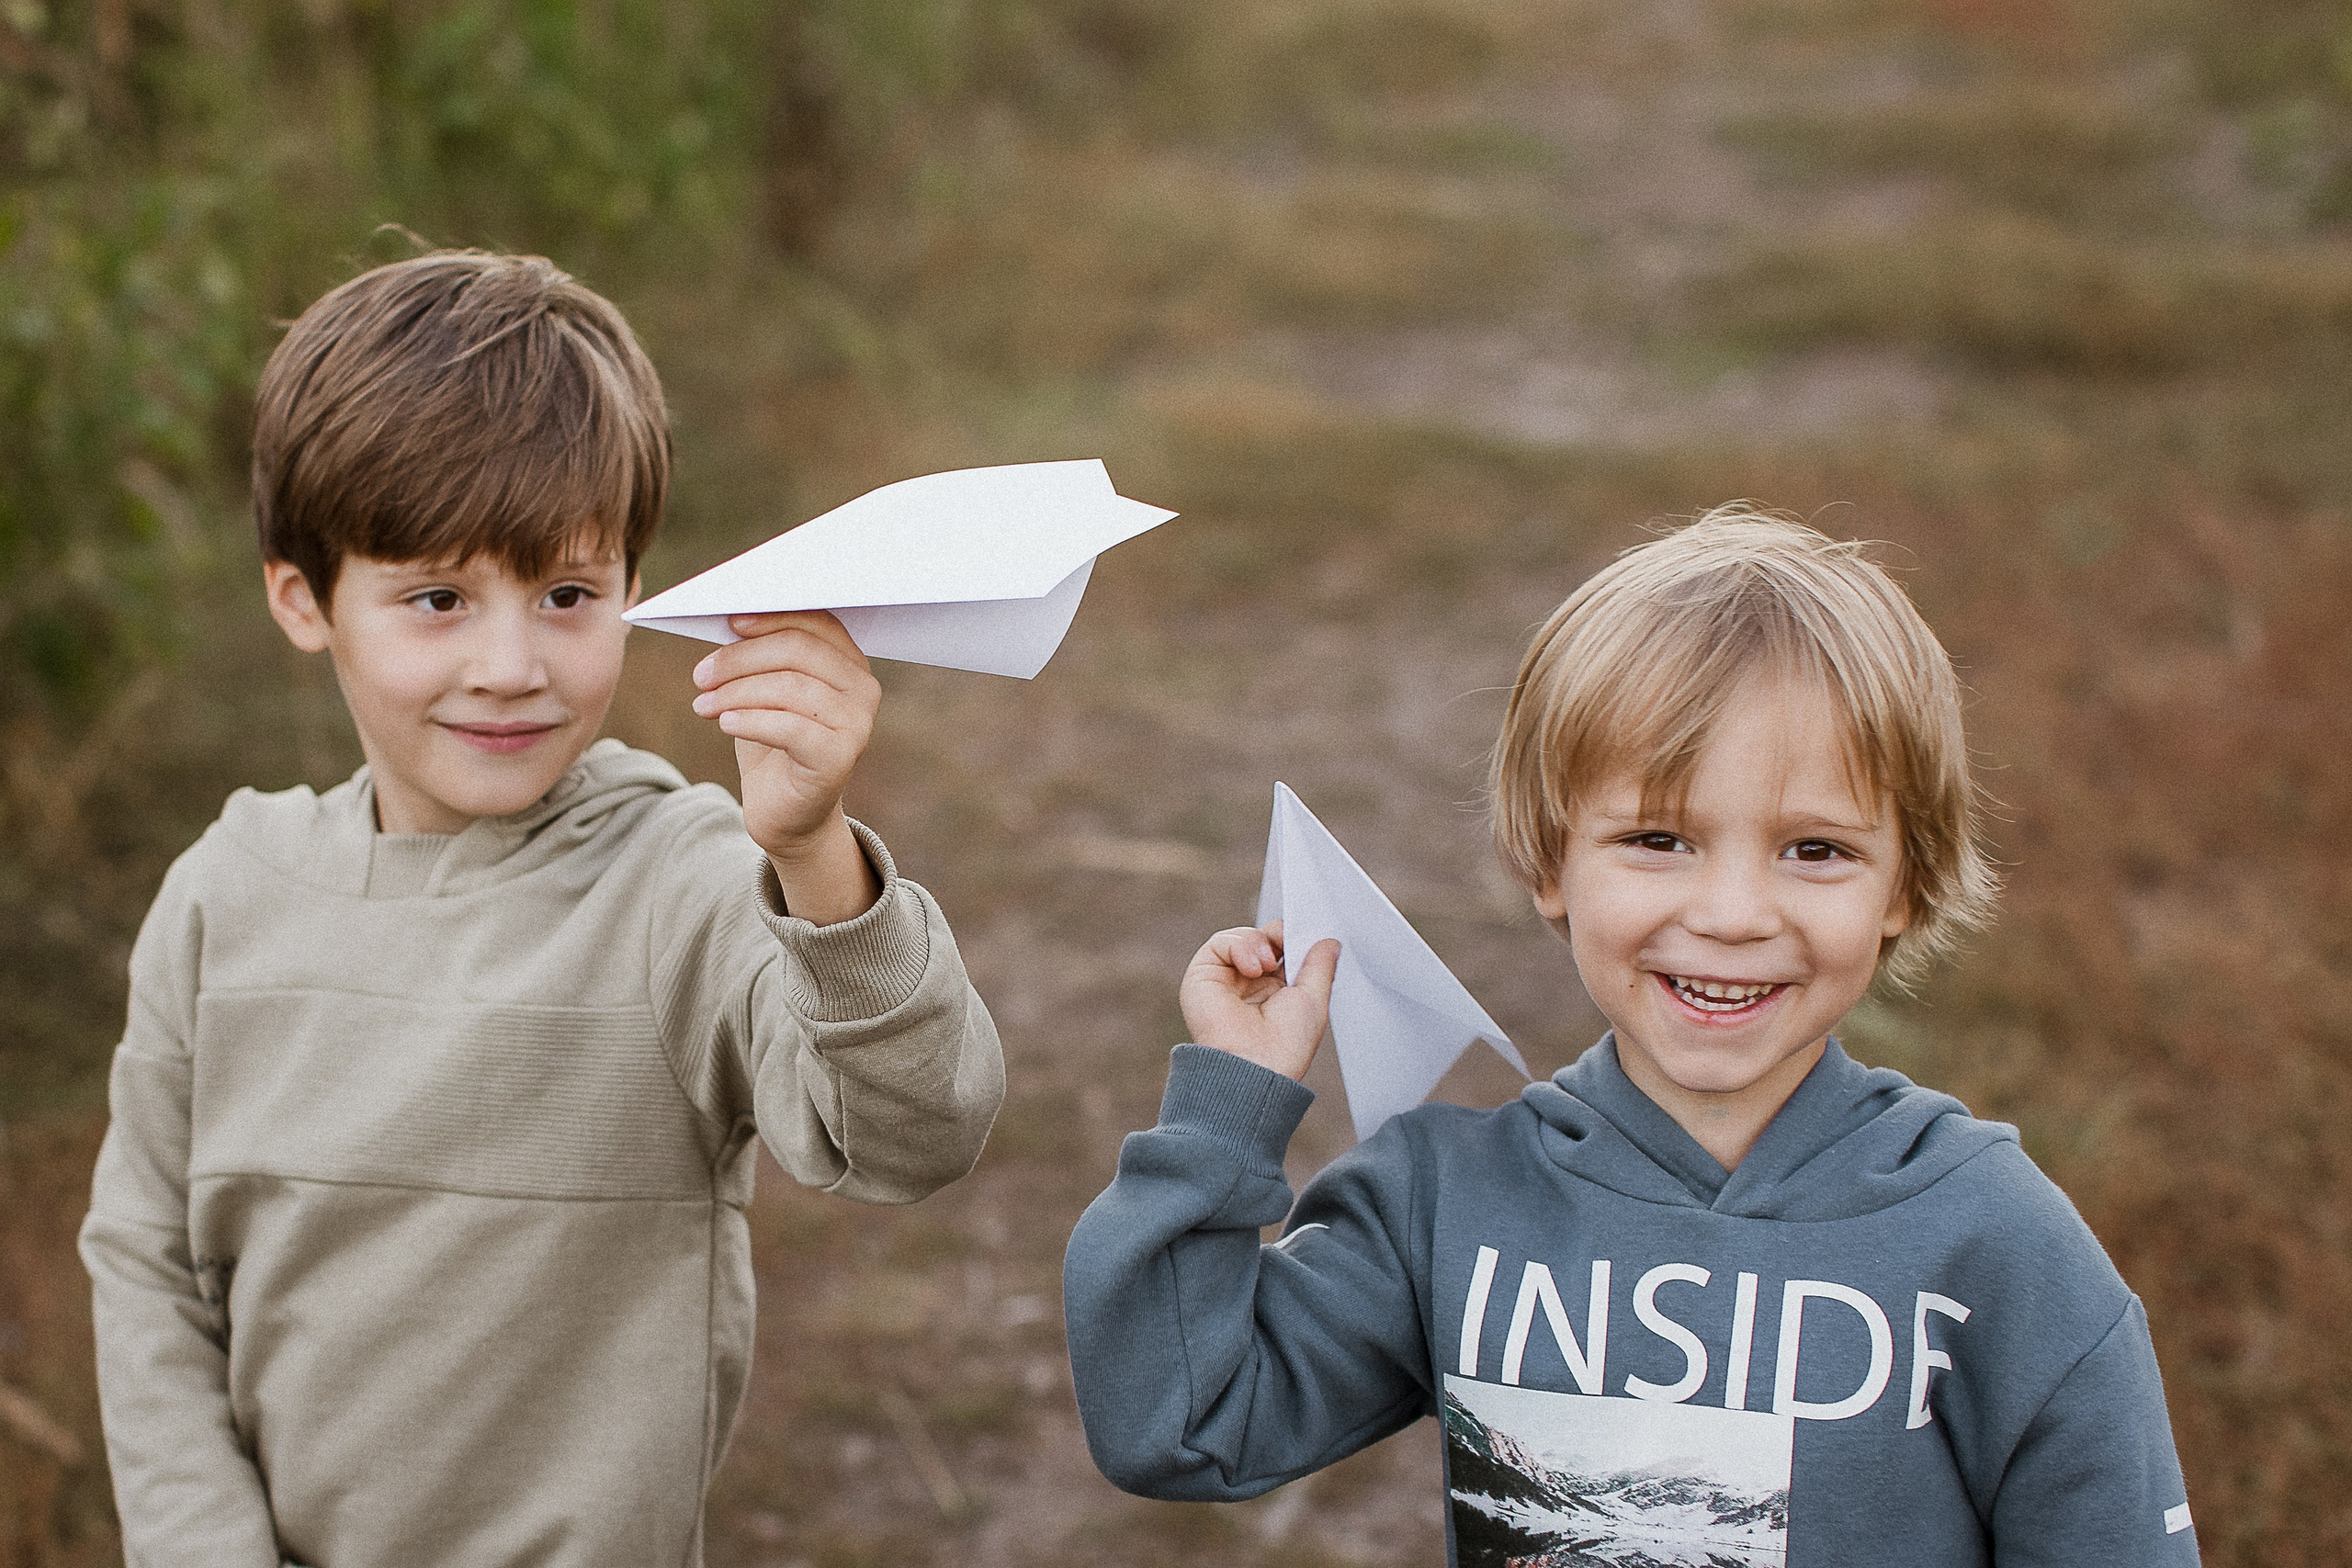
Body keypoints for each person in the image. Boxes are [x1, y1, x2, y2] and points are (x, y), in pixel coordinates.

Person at [79, 250, 1005, 1568]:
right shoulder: (226, 895)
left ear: (635, 585)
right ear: (304, 596)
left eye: (568, 593)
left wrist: (812, 852)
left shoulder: (683, 880)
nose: (509, 666)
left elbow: (922, 1131)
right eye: (438, 598)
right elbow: (147, 1267)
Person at [1063, 509, 2198, 1566]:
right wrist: (1227, 1111)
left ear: (1906, 886)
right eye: (1659, 838)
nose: (1730, 913)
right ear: (1549, 862)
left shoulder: (1991, 1241)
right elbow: (1180, 1422)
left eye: (1815, 850)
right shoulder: (1441, 1205)